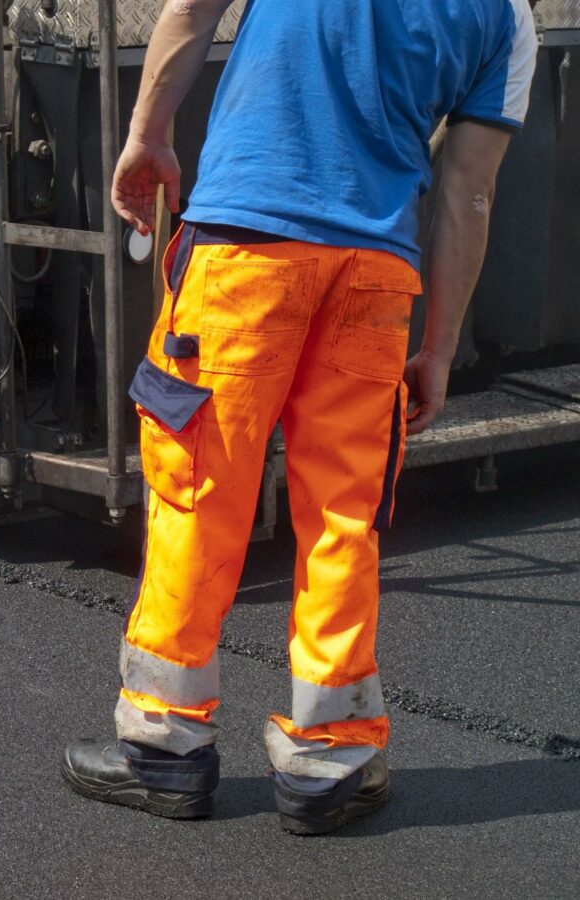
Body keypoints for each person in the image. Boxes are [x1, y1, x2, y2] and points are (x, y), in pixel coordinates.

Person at [62, 0, 537, 833]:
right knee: (344, 511)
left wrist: (148, 133)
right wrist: (438, 346)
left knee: (200, 485)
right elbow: (470, 193)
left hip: (249, 242)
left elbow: (189, 9)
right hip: (375, 272)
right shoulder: (509, 16)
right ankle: (332, 759)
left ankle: (165, 748)